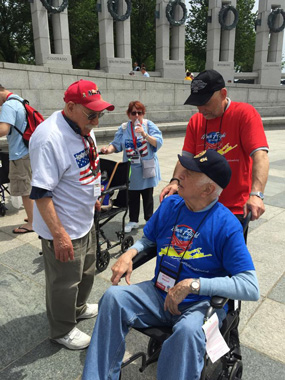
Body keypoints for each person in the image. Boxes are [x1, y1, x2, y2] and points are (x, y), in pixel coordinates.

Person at [82, 149, 260, 380]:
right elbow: (149, 238)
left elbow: (250, 286)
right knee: (113, 298)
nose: (180, 176)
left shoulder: (226, 225)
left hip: (199, 304)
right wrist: (130, 252)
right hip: (159, 292)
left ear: (207, 189)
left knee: (187, 332)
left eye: (189, 173)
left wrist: (194, 285)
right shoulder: (171, 205)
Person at [29, 79, 114, 350]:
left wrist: (94, 196)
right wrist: (59, 235)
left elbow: (87, 165)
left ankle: (76, 307)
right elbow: (41, 193)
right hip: (63, 225)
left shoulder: (82, 125)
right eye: (92, 115)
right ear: (70, 106)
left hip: (84, 216)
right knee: (63, 281)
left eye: (100, 114)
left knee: (86, 271)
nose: (97, 122)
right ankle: (62, 329)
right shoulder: (49, 137)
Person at [160, 69, 269, 228]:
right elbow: (186, 157)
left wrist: (257, 194)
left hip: (234, 208)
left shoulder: (244, 114)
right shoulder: (196, 121)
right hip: (200, 204)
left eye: (205, 102)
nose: (201, 109)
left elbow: (260, 155)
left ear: (223, 93)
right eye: (197, 103)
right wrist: (175, 181)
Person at [100, 101, 163, 233]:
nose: (136, 116)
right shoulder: (124, 128)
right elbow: (116, 145)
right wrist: (108, 149)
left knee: (147, 195)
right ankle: (133, 220)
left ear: (143, 114)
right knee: (132, 195)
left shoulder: (148, 125)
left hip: (146, 167)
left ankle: (149, 220)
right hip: (131, 169)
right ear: (129, 115)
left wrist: (145, 135)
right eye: (133, 113)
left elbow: (158, 142)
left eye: (139, 113)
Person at [0, 85, 34, 233]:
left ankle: (32, 223)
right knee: (29, 185)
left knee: (25, 189)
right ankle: (34, 216)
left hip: (19, 153)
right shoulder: (20, 100)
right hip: (28, 150)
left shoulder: (8, 105)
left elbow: (3, 130)